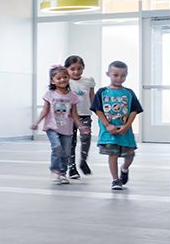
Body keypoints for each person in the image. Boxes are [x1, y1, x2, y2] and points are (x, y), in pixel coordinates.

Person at [91, 60, 144, 191]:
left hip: (125, 132)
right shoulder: (102, 92)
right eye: (116, 75)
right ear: (108, 74)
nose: (119, 78)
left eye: (123, 76)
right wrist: (107, 125)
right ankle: (115, 180)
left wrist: (126, 126)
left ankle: (124, 168)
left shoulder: (129, 93)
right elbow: (98, 110)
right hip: (109, 132)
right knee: (113, 155)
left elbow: (134, 110)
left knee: (130, 154)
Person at [31, 64, 78, 185]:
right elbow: (45, 110)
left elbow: (74, 114)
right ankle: (55, 171)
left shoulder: (73, 96)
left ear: (68, 78)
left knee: (66, 152)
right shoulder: (50, 94)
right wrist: (37, 122)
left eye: (65, 77)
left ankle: (63, 173)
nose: (62, 80)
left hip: (67, 128)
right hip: (52, 127)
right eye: (59, 78)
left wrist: (81, 126)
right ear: (53, 81)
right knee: (57, 147)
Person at [65, 55, 96, 178]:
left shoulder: (88, 80)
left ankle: (83, 160)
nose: (76, 72)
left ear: (83, 68)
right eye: (72, 69)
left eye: (79, 68)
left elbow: (92, 97)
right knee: (71, 142)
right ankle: (71, 168)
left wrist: (97, 111)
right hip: (69, 117)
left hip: (85, 115)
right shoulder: (65, 81)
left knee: (86, 138)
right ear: (66, 69)